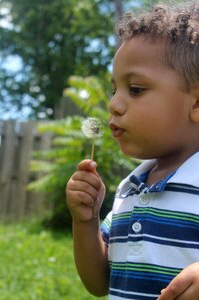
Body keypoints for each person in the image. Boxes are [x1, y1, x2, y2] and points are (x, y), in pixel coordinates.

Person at [66, 1, 199, 299]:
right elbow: (99, 283)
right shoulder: (130, 189)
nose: (114, 104)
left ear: (197, 103)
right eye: (115, 90)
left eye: (135, 89)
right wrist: (85, 222)